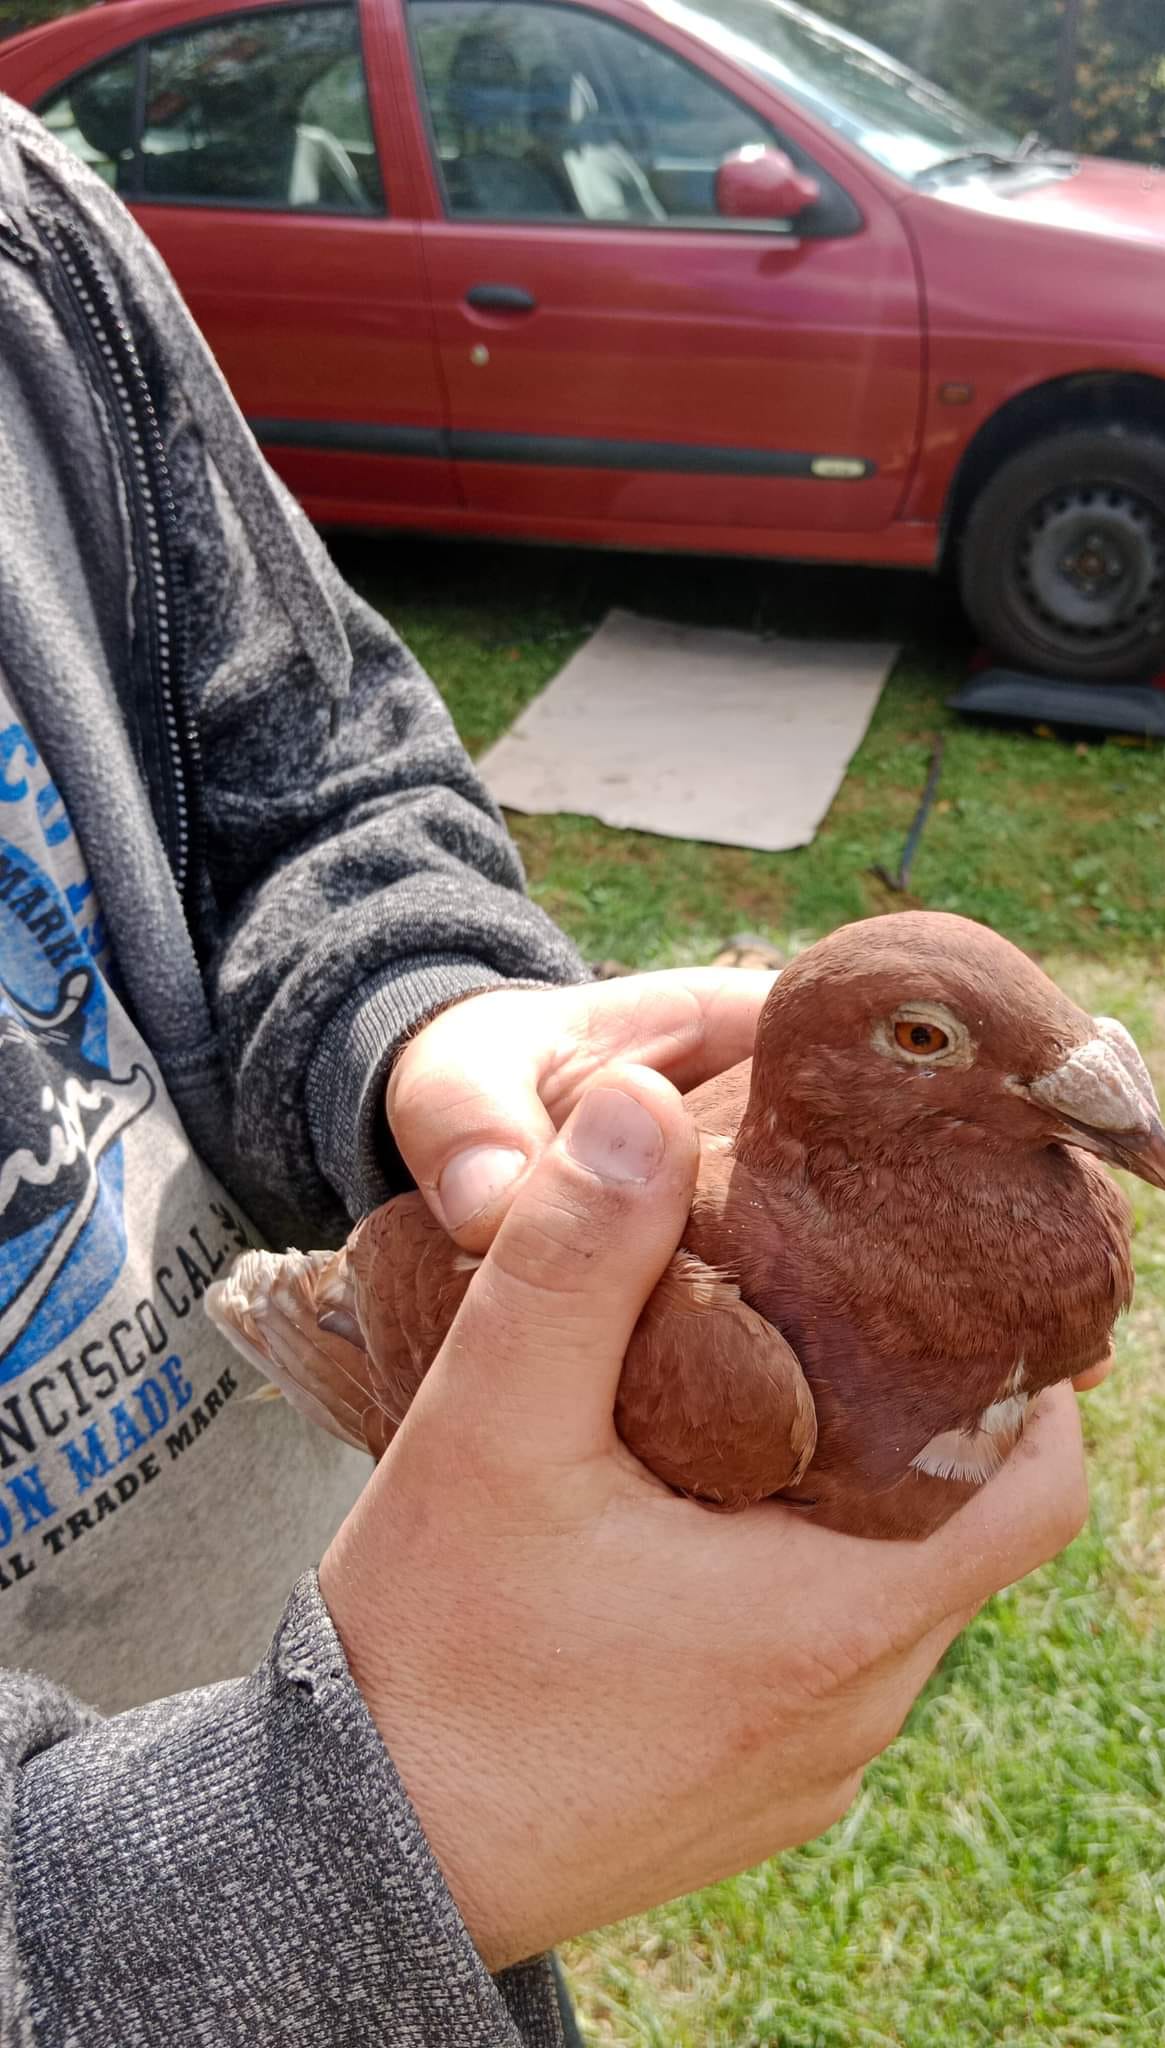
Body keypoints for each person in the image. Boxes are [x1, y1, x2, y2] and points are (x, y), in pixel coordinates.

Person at [0, 89, 1096, 2047]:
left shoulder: (25, 230)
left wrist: (416, 1006)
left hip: (357, 1650)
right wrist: (329, 1852)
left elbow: (304, 752)